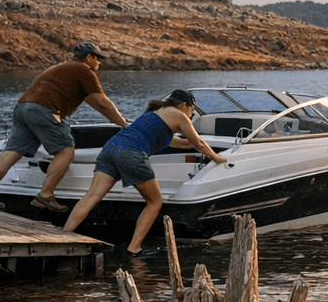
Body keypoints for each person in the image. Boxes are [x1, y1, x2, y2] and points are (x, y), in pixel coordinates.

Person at [63, 89, 229, 255]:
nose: (191, 115)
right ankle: (134, 249)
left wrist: (202, 144)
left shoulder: (155, 114)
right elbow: (198, 142)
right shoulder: (179, 115)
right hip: (130, 153)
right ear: (184, 105)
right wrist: (217, 157)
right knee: (155, 201)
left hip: (111, 149)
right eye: (192, 110)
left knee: (91, 196)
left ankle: (64, 235)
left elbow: (185, 143)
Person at [0, 42, 128, 212]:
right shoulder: (84, 70)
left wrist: (118, 119)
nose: (100, 64)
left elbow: (93, 101)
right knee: (65, 151)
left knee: (13, 151)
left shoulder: (62, 68)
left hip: (23, 108)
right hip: (44, 110)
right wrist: (124, 125)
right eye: (99, 59)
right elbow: (102, 101)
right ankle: (45, 196)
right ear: (89, 57)